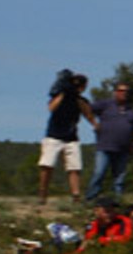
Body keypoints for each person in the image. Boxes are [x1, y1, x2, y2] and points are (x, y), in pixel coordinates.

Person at [38, 69, 95, 204]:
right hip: (54, 135)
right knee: (47, 165)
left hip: (71, 137)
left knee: (74, 167)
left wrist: (95, 124)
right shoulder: (60, 95)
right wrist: (63, 93)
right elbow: (51, 108)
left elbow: (87, 113)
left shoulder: (80, 100)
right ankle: (43, 193)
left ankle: (75, 195)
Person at [86, 82, 133, 203]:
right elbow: (87, 108)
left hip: (123, 148)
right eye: (121, 91)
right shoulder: (105, 104)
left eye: (126, 91)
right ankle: (91, 199)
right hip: (105, 146)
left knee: (119, 178)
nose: (123, 93)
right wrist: (93, 122)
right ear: (115, 92)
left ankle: (117, 201)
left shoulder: (131, 111)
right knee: (99, 173)